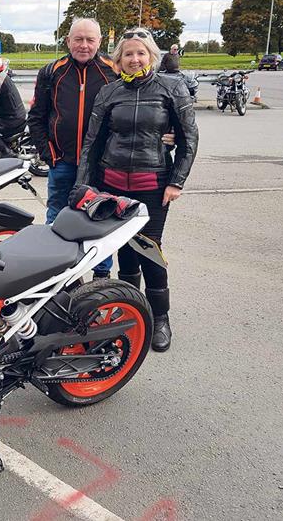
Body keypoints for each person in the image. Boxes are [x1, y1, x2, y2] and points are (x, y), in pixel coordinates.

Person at [75, 27, 199, 352]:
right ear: (119, 59)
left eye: (140, 53)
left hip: (154, 186)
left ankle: (160, 319)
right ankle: (129, 313)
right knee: (124, 252)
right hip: (113, 185)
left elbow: (189, 139)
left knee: (149, 251)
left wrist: (177, 182)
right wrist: (83, 185)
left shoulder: (171, 88)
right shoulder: (109, 92)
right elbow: (93, 142)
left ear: (151, 56)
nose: (134, 59)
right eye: (128, 54)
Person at [28, 17, 174, 277]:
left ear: (99, 41)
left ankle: (101, 275)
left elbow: (146, 104)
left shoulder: (113, 69)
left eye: (90, 40)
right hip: (62, 162)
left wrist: (165, 132)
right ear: (68, 41)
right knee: (58, 218)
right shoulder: (51, 72)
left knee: (100, 221)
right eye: (78, 39)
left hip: (102, 165)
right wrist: (49, 154)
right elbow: (36, 117)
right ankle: (56, 273)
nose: (84, 45)